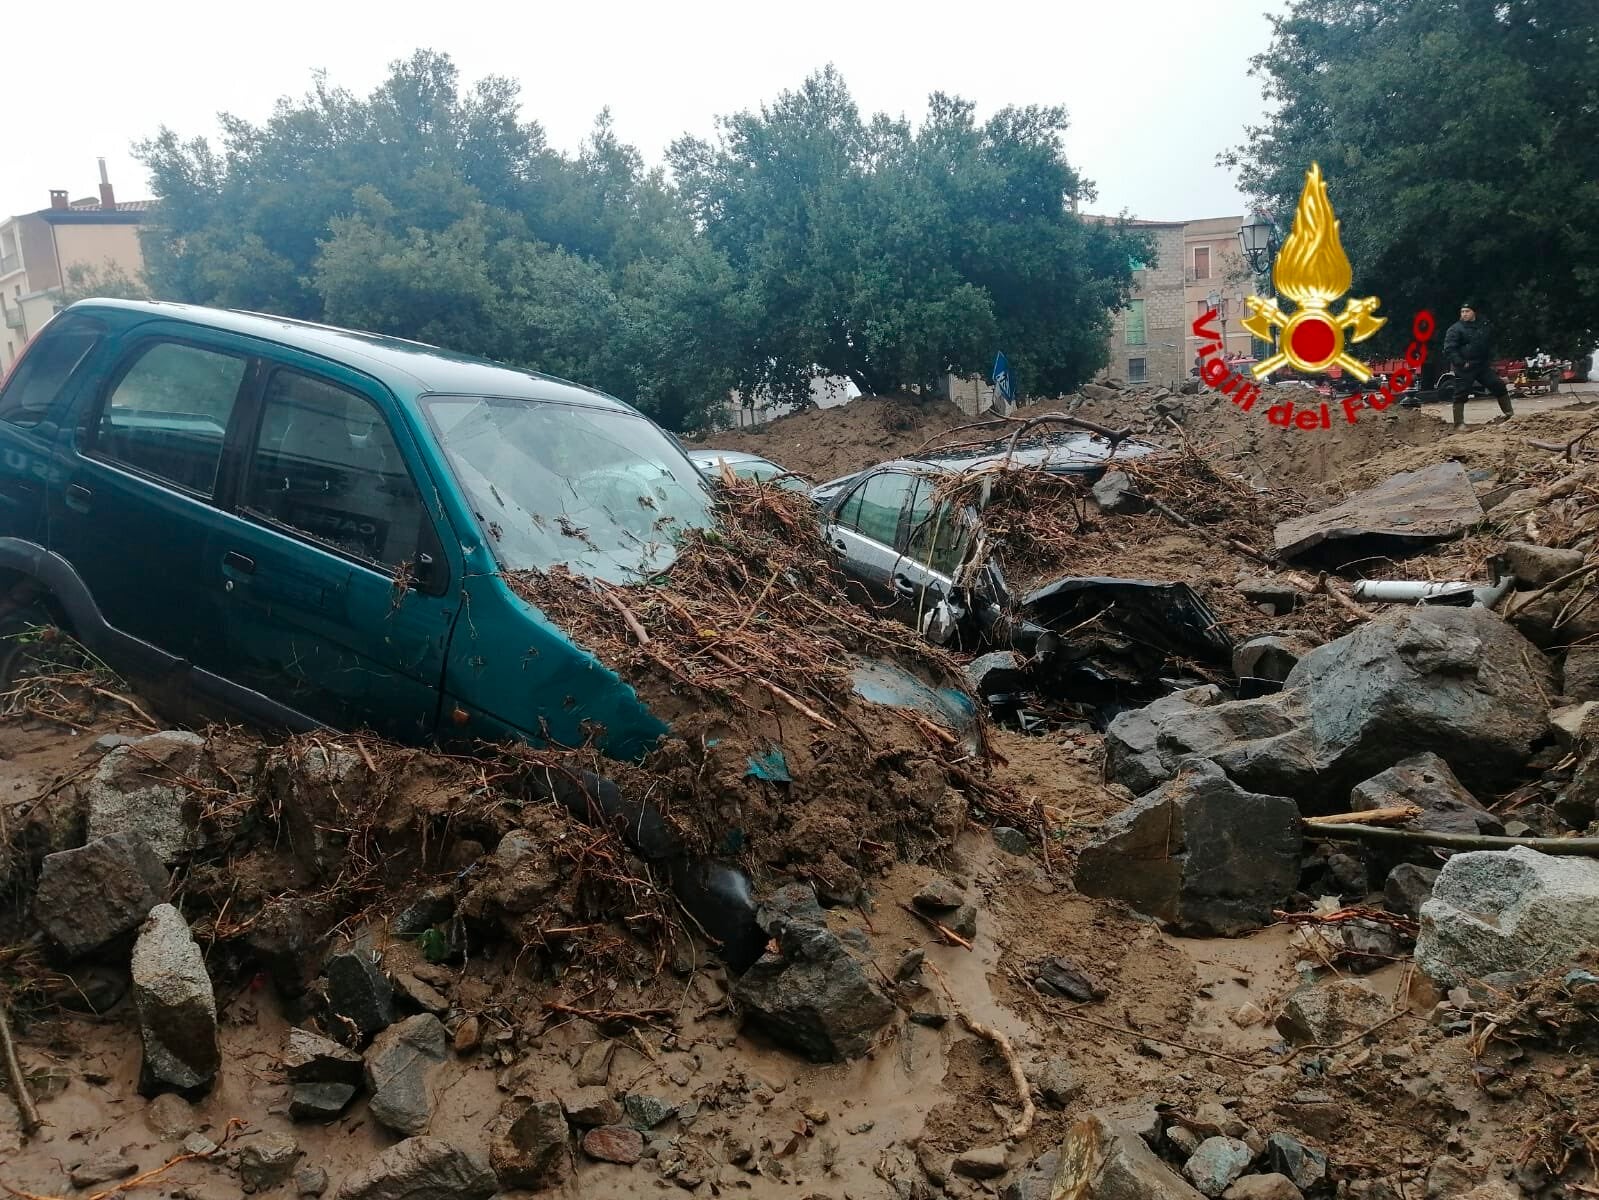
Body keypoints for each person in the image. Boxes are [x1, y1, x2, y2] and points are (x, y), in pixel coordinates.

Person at [1442, 301, 1512, 428]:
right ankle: (1459, 423)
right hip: (1465, 366)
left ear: (1474, 312)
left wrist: (1490, 359)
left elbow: (1487, 343)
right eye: (1462, 312)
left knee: (1498, 385)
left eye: (1467, 311)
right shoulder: (1455, 329)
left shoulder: (1482, 326)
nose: (1464, 314)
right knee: (1461, 393)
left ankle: (1509, 415)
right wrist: (1461, 363)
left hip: (1482, 365)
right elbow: (1450, 349)